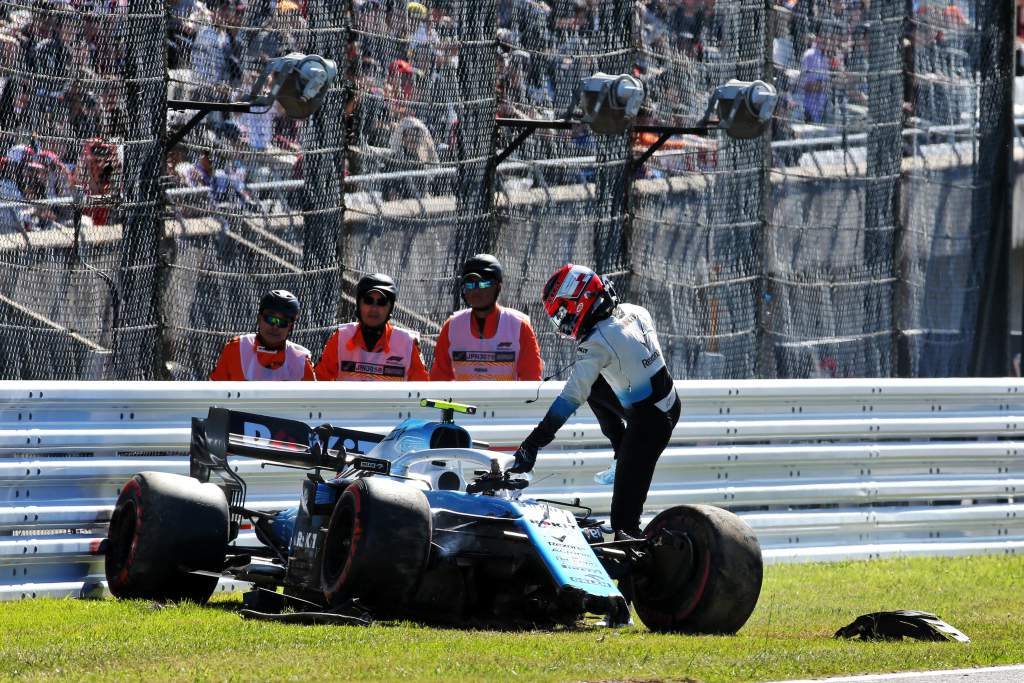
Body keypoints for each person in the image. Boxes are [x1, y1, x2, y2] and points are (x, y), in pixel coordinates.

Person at [509, 264, 680, 539]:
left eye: (562, 313)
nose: (561, 322)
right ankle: (620, 450)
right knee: (595, 384)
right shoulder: (636, 311)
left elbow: (569, 399)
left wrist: (532, 444)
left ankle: (644, 573)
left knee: (624, 524)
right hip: (668, 401)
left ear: (580, 304)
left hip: (650, 423)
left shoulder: (597, 344)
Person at [430, 254, 543, 381]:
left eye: (484, 283)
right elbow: (439, 379)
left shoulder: (519, 327)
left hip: (508, 400)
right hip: (461, 401)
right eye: (470, 285)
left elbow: (531, 379)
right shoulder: (452, 326)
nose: (476, 290)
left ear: (498, 286)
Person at [315, 273, 429, 381]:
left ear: (390, 308)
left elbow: (423, 391)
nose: (374, 308)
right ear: (359, 304)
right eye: (368, 301)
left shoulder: (407, 343)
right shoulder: (341, 337)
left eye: (382, 302)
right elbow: (319, 383)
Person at [210, 290, 316, 381]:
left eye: (282, 322)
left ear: (291, 327)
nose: (275, 326)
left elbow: (313, 402)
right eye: (270, 319)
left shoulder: (300, 361)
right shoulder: (236, 348)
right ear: (259, 318)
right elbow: (213, 392)